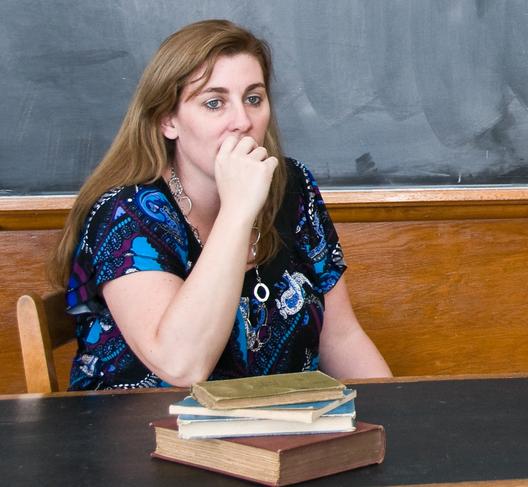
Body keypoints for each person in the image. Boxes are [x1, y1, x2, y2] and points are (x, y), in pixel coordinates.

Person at [50, 19, 392, 390]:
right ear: (168, 121)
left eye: (253, 98)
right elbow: (181, 366)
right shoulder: (126, 213)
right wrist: (238, 211)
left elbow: (340, 338)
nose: (242, 121)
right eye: (214, 103)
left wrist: (399, 419)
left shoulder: (292, 187)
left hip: (274, 433)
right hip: (143, 436)